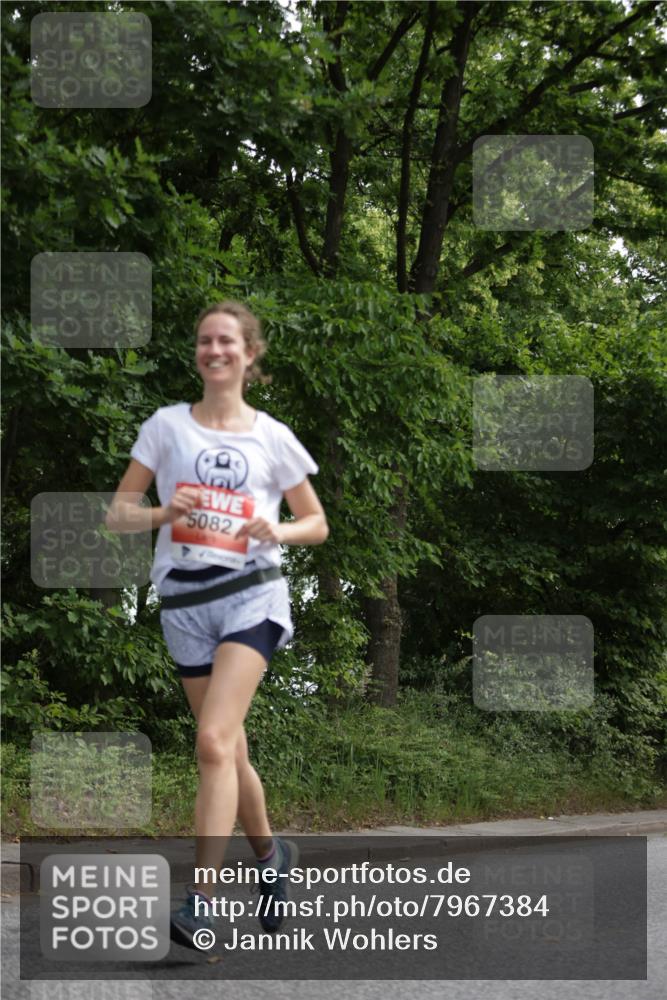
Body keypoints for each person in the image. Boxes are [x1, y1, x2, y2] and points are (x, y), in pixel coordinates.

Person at [106, 300, 328, 948]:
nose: (215, 349)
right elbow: (119, 512)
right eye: (205, 340)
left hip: (250, 596)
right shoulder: (167, 426)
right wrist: (163, 513)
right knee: (228, 748)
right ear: (197, 354)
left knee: (210, 742)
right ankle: (270, 857)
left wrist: (277, 528)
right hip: (184, 604)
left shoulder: (271, 436)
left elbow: (316, 523)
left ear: (249, 353)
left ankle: (200, 901)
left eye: (227, 340)